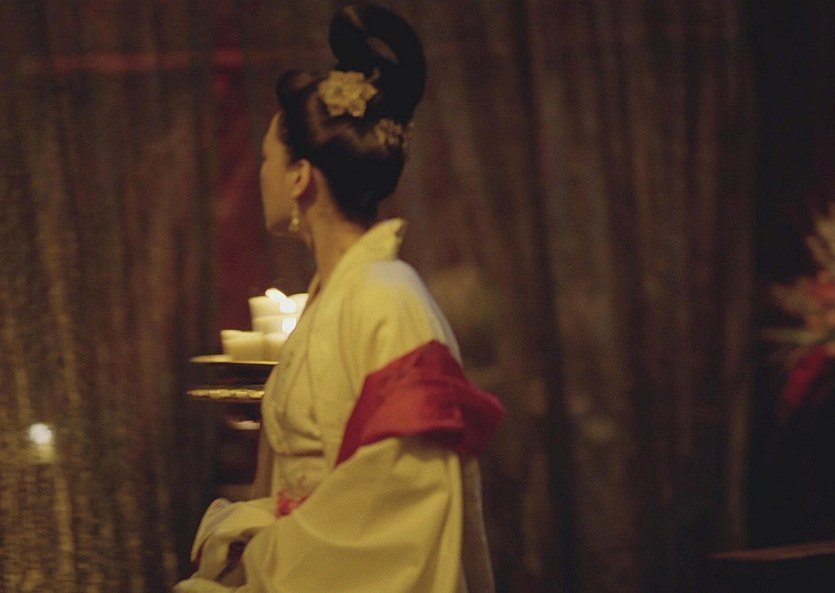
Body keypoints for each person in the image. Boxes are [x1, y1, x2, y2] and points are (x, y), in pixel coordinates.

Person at [174, 3, 504, 592]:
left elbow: (401, 497)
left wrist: (268, 552)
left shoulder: (386, 299)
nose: (260, 175)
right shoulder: (335, 299)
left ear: (300, 176)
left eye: (267, 160)